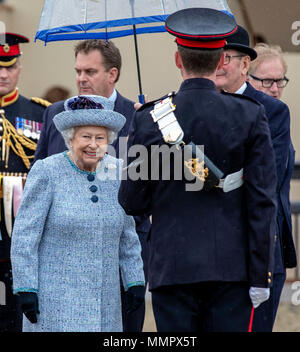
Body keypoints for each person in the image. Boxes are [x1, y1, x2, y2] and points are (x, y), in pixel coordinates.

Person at [118, 8, 277, 332]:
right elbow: (262, 202)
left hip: (172, 271)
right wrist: (260, 275)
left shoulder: (151, 118)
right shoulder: (250, 115)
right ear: (222, 61)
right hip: (232, 273)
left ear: (178, 60)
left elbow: (131, 201)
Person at [34, 39, 150, 332]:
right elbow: (39, 170)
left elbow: (149, 187)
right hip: (63, 260)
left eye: (90, 71)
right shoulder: (55, 113)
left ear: (112, 74)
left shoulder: (140, 116)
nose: (81, 78)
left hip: (122, 252)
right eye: (78, 71)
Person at [10, 95, 145, 332]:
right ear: (71, 138)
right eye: (86, 136)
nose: (93, 144)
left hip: (105, 304)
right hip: (54, 303)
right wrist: (26, 287)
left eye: (100, 138)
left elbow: (127, 235)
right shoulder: (47, 171)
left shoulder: (116, 172)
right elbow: (25, 235)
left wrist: (134, 280)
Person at [215, 25, 297, 331]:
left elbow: (268, 179)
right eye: (268, 81)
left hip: (265, 240)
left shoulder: (276, 114)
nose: (275, 88)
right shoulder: (220, 105)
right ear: (248, 75)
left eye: (280, 81)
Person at [0, 32, 50, 332]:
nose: (3, 73)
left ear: (19, 67)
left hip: (23, 243)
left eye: (10, 65)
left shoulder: (39, 113)